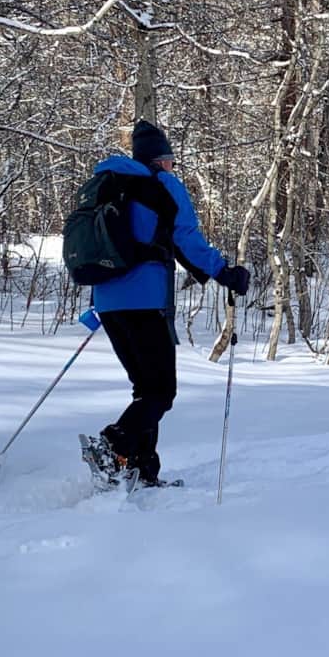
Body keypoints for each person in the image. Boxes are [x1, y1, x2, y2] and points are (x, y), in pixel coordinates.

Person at [86, 119, 249, 485]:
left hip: (108, 302)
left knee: (146, 389)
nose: (173, 167)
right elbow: (186, 238)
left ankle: (142, 471)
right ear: (160, 160)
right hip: (144, 301)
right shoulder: (162, 185)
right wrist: (225, 273)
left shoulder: (111, 186)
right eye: (171, 160)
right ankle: (113, 444)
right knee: (161, 391)